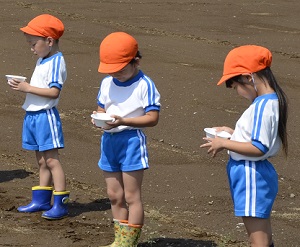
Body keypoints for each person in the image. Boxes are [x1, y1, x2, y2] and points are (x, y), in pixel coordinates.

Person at [200, 45, 288, 247]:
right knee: (263, 235)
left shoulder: (261, 107)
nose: (237, 92)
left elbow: (258, 147)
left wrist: (224, 142)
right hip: (258, 173)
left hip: (251, 175)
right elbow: (259, 138)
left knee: (257, 240)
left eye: (235, 86)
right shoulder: (272, 101)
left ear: (249, 78)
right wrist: (233, 133)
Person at [92, 32, 161, 247]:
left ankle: (129, 243)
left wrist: (124, 121)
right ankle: (119, 240)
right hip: (109, 140)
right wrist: (98, 118)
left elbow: (153, 118)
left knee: (132, 196)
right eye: (111, 69)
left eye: (121, 68)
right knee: (114, 194)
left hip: (131, 140)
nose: (116, 73)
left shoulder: (145, 85)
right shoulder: (106, 83)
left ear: (136, 61)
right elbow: (101, 107)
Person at [8, 14, 70, 220]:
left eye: (34, 44)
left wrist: (27, 88)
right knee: (41, 161)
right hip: (33, 115)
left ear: (49, 41)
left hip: (45, 116)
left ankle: (60, 203)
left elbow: (54, 92)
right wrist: (25, 87)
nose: (31, 48)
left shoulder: (56, 62)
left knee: (52, 160)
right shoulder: (44, 59)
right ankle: (42, 199)